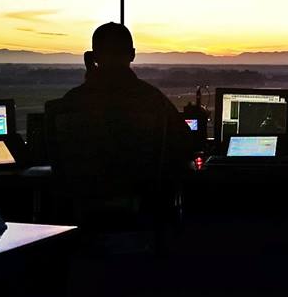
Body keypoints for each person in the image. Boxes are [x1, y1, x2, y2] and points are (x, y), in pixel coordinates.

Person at [54, 23, 193, 230]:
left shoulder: (69, 103)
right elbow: (184, 145)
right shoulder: (152, 100)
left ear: (93, 56)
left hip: (82, 218)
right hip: (144, 215)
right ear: (132, 55)